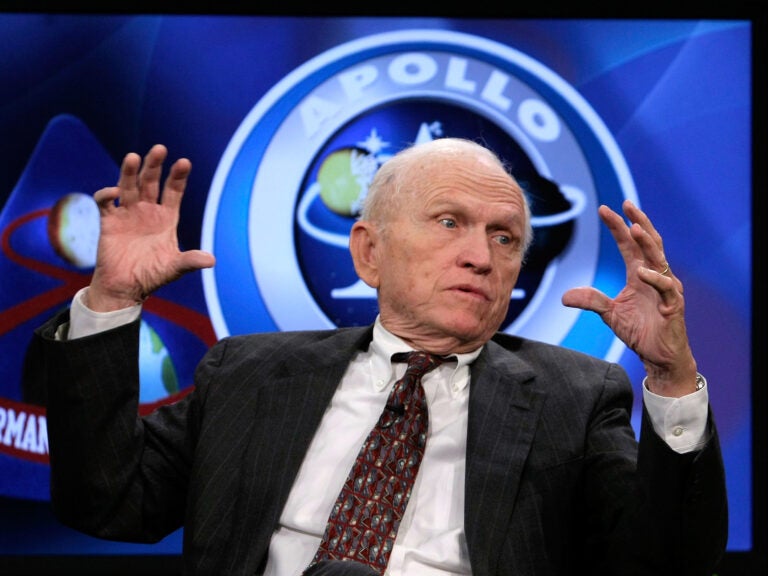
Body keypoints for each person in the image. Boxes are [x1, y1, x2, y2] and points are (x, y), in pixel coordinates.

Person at [35, 138, 727, 576]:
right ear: (369, 252)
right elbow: (107, 503)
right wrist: (112, 300)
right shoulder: (247, 372)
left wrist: (670, 376)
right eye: (450, 222)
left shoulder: (574, 397)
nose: (481, 256)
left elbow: (667, 561)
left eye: (507, 238)